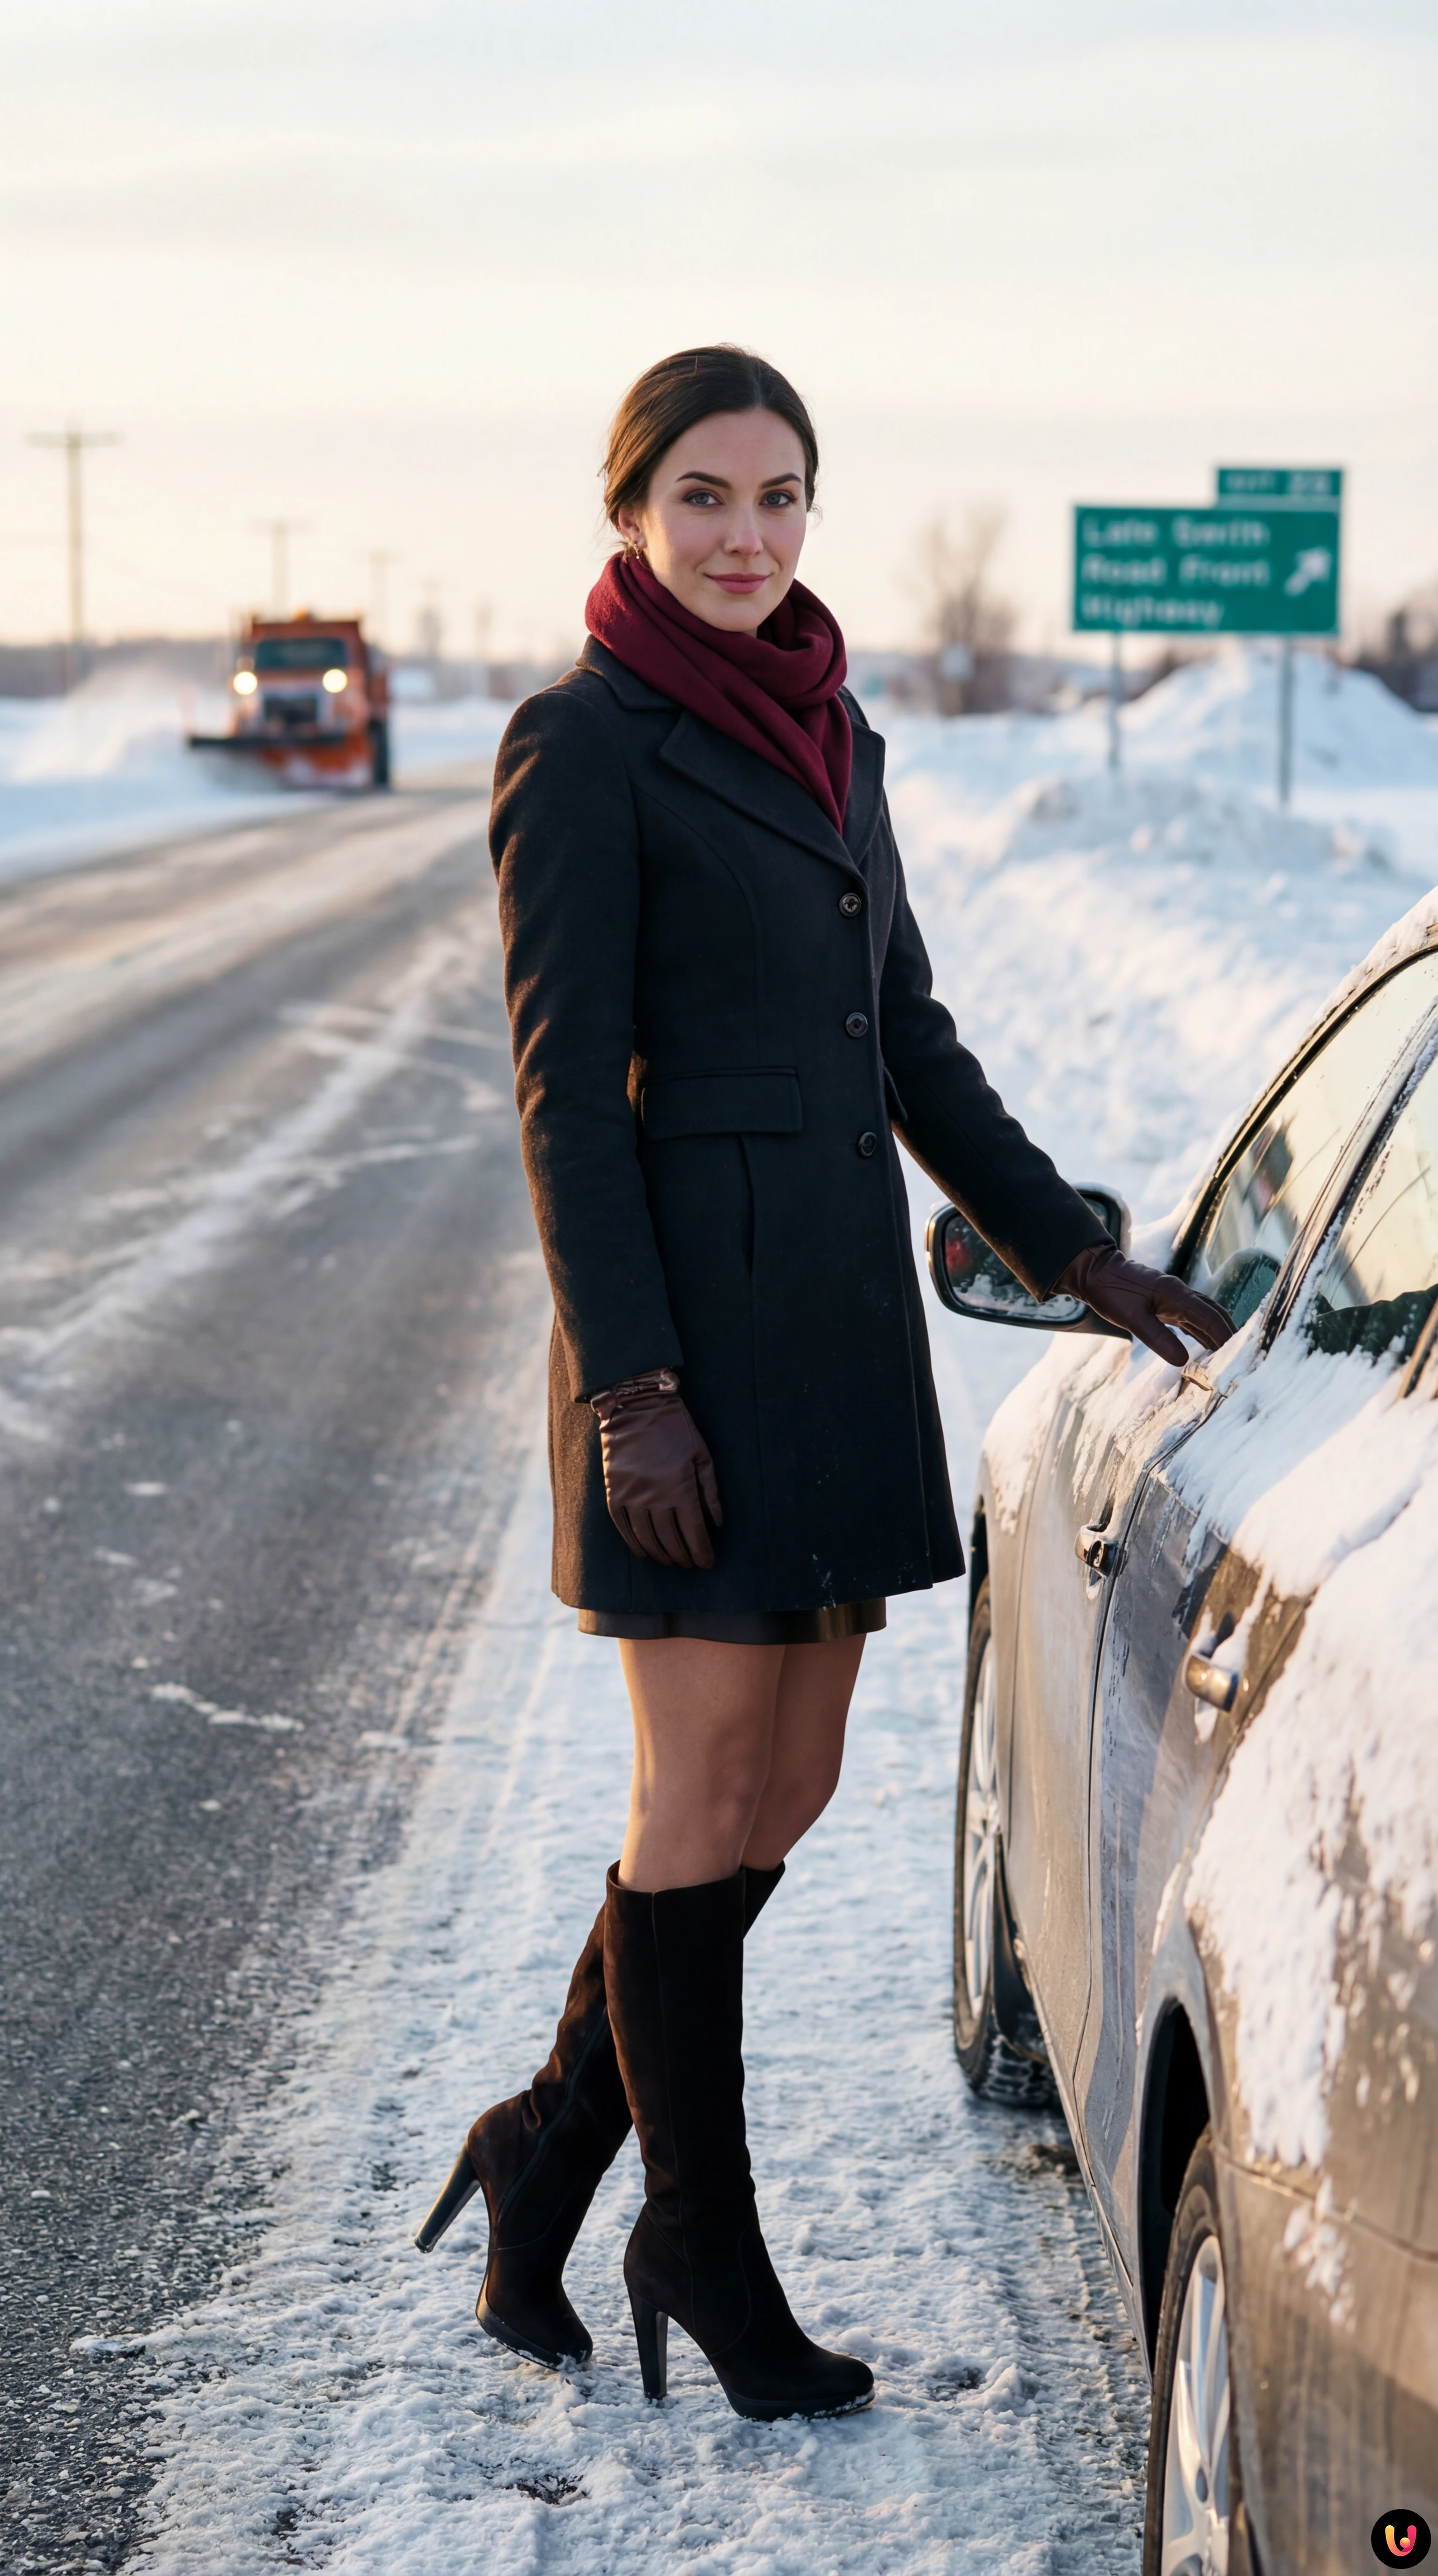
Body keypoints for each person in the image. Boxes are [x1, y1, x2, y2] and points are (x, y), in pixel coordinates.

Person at [414, 345, 1228, 2422]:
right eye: (703, 496)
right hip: (680, 1354)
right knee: (696, 1792)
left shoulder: (832, 725)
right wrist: (633, 1389)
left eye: (777, 495)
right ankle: (702, 2232)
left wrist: (1071, 1244)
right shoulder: (578, 746)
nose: (744, 535)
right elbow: (564, 1110)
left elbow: (911, 1036)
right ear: (630, 511)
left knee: (787, 1789)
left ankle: (550, 2141)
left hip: (836, 1336)